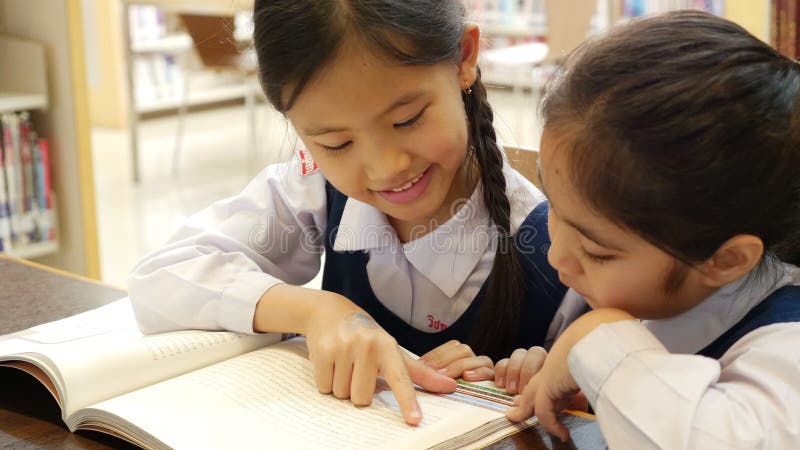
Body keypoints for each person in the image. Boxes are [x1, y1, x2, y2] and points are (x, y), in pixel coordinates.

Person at [128, 0, 567, 425]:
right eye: (337, 144)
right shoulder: (314, 185)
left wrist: (533, 380)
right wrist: (316, 311)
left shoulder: (560, 248)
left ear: (463, 59)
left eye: (407, 119)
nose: (386, 167)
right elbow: (161, 278)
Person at [498, 10, 800, 448]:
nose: (556, 256)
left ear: (725, 260)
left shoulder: (786, 340)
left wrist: (600, 345)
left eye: (595, 250)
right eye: (555, 209)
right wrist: (576, 372)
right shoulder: (655, 283)